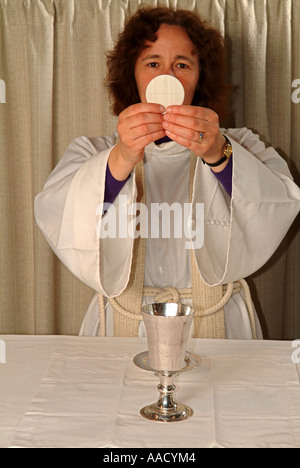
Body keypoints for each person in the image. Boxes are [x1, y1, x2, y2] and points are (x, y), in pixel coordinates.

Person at [34, 6, 300, 339]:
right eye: (153, 63)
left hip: (215, 321)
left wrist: (219, 153)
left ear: (200, 77)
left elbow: (277, 205)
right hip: (125, 321)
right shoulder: (93, 151)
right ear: (132, 74)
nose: (168, 77)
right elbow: (58, 212)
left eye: (183, 65)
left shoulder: (241, 144)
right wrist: (122, 157)